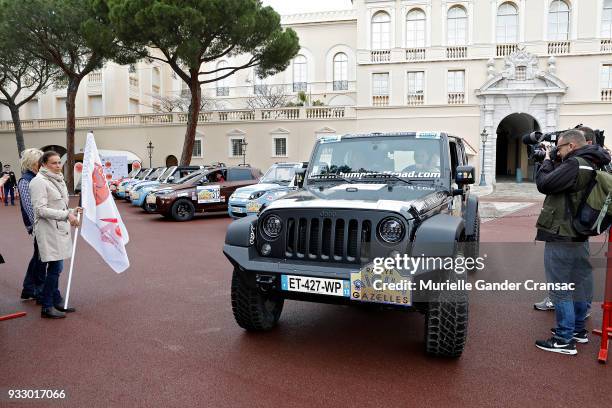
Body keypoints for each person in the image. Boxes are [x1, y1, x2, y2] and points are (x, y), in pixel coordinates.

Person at [534, 129, 611, 355]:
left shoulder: (575, 164)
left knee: (560, 288)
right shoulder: (595, 162)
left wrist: (547, 161)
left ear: (571, 146)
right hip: (579, 233)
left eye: (559, 148)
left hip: (562, 233)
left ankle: (564, 338)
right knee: (577, 285)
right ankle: (578, 331)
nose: (557, 151)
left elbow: (544, 184)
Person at [29, 151, 82, 319]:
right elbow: (40, 210)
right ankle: (47, 305)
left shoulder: (56, 180)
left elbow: (59, 206)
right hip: (48, 230)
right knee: (55, 268)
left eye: (59, 162)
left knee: (56, 268)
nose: (58, 166)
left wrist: (72, 210)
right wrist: (67, 215)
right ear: (43, 164)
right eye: (54, 163)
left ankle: (55, 301)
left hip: (58, 229)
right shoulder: (39, 182)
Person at [17, 148, 47, 301]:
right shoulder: (25, 180)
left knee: (39, 256)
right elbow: (30, 208)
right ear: (31, 163)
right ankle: (39, 290)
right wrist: (37, 228)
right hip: (37, 225)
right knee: (42, 258)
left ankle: (29, 288)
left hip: (43, 223)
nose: (41, 165)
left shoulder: (38, 177)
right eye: (38, 162)